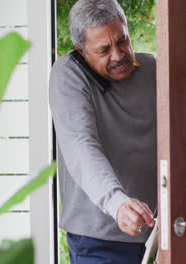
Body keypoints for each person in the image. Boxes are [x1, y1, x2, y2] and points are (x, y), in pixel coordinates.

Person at [49, 0, 157, 263]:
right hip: (99, 240)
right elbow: (81, 145)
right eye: (104, 49)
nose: (119, 55)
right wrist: (117, 203)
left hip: (155, 234)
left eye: (122, 41)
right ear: (80, 51)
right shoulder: (69, 74)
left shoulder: (151, 69)